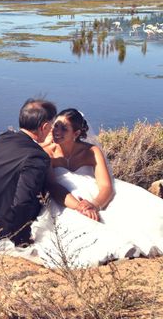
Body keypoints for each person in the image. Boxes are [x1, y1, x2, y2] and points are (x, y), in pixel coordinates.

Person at [32, 108, 163, 268]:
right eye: (56, 126)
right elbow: (52, 185)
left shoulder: (91, 151)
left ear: (76, 133)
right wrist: (79, 206)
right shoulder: (47, 153)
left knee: (144, 212)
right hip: (65, 199)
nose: (57, 131)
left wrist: (95, 204)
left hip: (95, 196)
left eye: (64, 128)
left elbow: (106, 185)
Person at [0, 98, 57, 247]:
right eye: (52, 124)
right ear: (44, 126)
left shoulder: (3, 138)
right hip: (2, 229)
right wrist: (21, 237)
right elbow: (23, 201)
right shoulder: (37, 157)